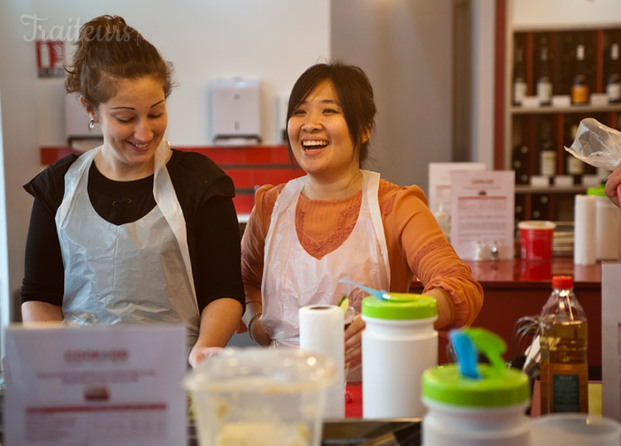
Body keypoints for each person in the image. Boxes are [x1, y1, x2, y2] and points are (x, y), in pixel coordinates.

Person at [20, 15, 244, 368]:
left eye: (155, 113)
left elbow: (225, 291)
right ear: (90, 108)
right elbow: (39, 295)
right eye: (126, 118)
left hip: (177, 376)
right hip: (83, 379)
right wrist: (55, 363)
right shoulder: (58, 187)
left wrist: (204, 349)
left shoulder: (198, 182)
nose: (144, 133)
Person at [240, 61, 484, 371]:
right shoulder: (270, 206)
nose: (310, 123)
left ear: (364, 128)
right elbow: (243, 280)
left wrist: (388, 319)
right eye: (299, 111)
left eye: (328, 111)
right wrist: (256, 325)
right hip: (284, 392)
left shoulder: (397, 206)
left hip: (376, 394)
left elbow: (460, 287)